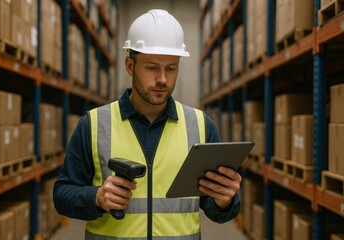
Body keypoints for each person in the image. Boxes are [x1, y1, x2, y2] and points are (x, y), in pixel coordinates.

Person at [53, 9, 242, 239]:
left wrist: (224, 201)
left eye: (171, 68)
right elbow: (62, 194)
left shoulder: (201, 125)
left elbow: (213, 208)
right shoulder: (93, 124)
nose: (162, 79)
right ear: (130, 66)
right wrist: (97, 198)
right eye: (152, 67)